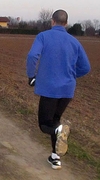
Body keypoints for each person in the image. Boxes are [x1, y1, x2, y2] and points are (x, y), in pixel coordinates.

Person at [26, 9, 90, 170]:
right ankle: (55, 158)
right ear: (66, 23)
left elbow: (33, 56)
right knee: (55, 121)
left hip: (49, 89)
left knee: (44, 125)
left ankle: (59, 133)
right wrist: (70, 76)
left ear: (52, 21)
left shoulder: (43, 36)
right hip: (67, 90)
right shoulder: (74, 42)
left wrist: (31, 75)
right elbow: (86, 67)